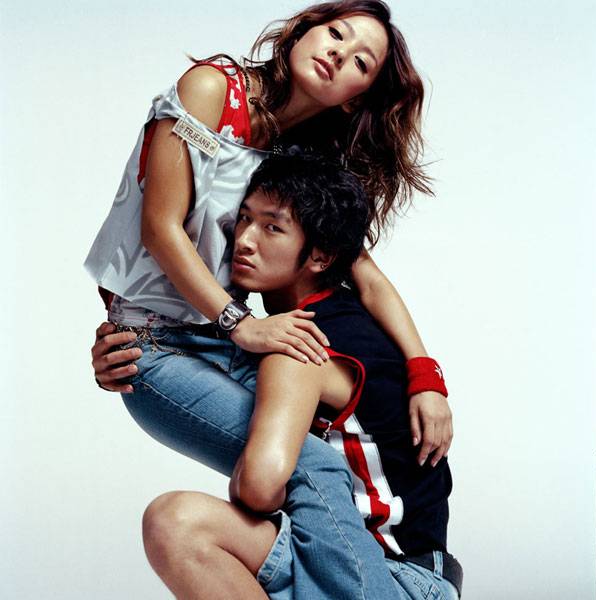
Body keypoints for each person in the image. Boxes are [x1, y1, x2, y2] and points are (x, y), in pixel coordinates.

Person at [88, 1, 453, 597]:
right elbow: (159, 227)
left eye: (361, 61)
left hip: (215, 339)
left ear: (356, 97)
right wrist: (238, 324)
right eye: (335, 32)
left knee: (289, 465)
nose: (338, 52)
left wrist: (425, 375)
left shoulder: (299, 161)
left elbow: (365, 273)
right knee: (305, 465)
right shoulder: (213, 90)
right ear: (303, 30)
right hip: (171, 336)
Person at [137, 153, 462, 599]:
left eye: (273, 228)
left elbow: (259, 487)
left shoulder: (301, 344)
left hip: (395, 579)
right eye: (244, 218)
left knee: (180, 523)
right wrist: (134, 344)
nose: (244, 240)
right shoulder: (338, 320)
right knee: (176, 523)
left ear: (321, 256)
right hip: (356, 559)